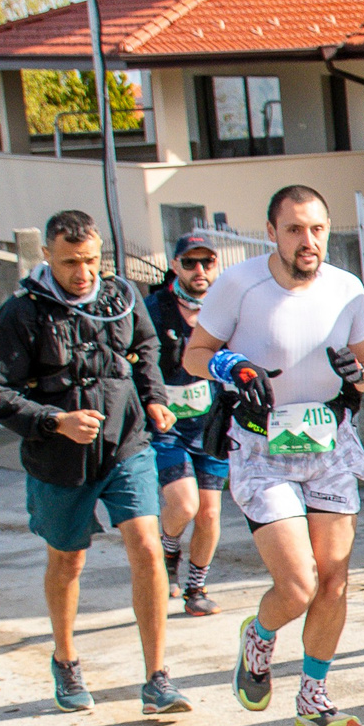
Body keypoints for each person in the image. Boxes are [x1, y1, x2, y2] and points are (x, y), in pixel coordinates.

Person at [183, 185, 364, 726]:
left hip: (330, 444)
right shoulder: (239, 285)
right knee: (298, 584)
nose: (308, 240)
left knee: (334, 579)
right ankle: (260, 636)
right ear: (272, 232)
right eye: (294, 229)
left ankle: (314, 696)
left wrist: (358, 373)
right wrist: (233, 367)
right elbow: (193, 354)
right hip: (261, 448)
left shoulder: (347, 289)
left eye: (317, 229)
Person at [0, 211, 190, 715]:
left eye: (91, 259)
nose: (84, 271)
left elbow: (145, 347)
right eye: (71, 261)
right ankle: (66, 659)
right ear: (47, 255)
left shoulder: (121, 297)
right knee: (68, 559)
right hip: (58, 459)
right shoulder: (21, 312)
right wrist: (55, 421)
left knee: (147, 547)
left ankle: (158, 677)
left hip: (125, 445)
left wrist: (154, 396)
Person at [145, 232, 230, 616]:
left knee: (210, 513)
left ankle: (196, 589)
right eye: (190, 263)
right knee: (183, 504)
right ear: (175, 265)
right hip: (166, 426)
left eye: (207, 262)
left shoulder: (224, 308)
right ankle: (167, 556)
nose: (199, 270)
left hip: (211, 424)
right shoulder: (153, 308)